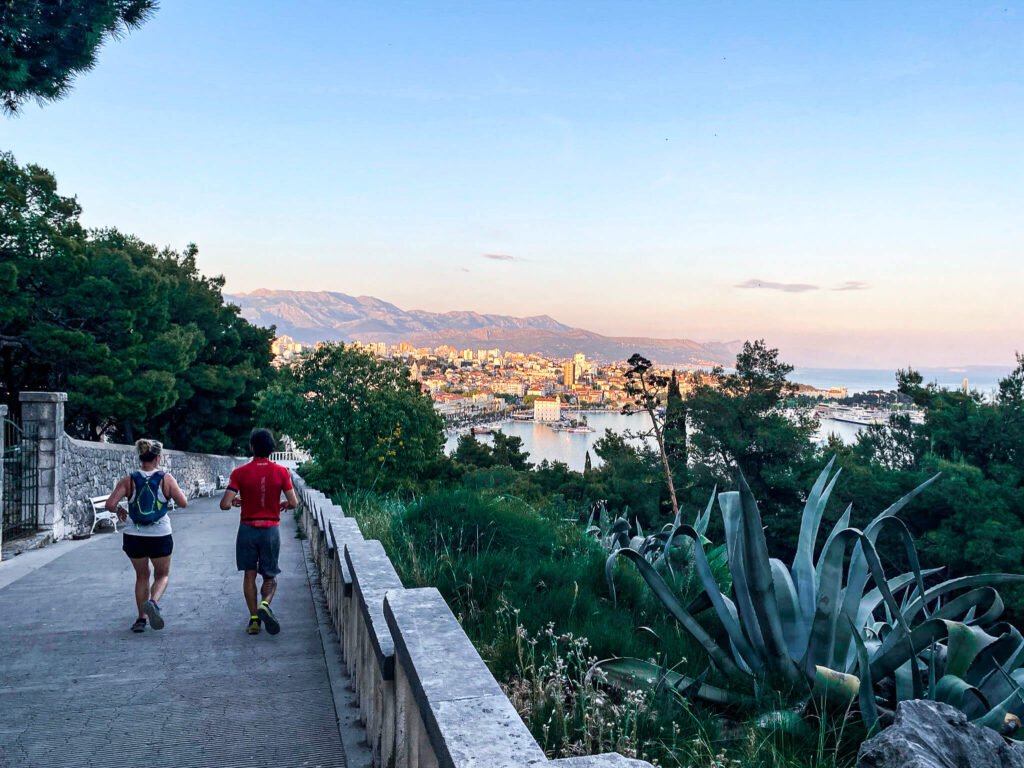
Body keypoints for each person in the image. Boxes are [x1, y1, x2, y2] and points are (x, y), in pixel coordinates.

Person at [219, 428, 298, 635]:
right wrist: (282, 505)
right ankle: (265, 604)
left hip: (247, 529)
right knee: (270, 576)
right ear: (272, 448)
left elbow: (225, 504)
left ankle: (254, 620)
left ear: (252, 447)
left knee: (249, 575)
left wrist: (236, 500)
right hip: (270, 530)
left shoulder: (240, 473)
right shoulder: (282, 472)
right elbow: (294, 502)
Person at [105, 439, 189, 633]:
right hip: (160, 534)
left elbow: (110, 504)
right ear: (157, 458)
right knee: (162, 575)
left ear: (141, 457)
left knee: (142, 575)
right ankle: (153, 601)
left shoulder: (129, 480)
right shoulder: (166, 478)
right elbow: (183, 502)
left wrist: (119, 509)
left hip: (134, 535)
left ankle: (141, 619)